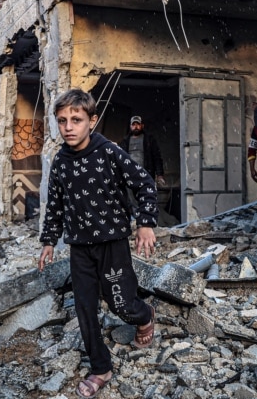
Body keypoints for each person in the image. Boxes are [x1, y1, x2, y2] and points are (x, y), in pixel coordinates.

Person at [38, 89, 158, 398]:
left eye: (76, 120)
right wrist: (49, 241)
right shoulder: (60, 162)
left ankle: (145, 316)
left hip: (113, 243)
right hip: (79, 247)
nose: (68, 127)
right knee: (85, 309)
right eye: (62, 120)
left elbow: (144, 183)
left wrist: (145, 223)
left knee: (121, 303)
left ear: (92, 120)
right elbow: (54, 205)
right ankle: (100, 367)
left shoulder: (109, 152)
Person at [118, 115, 166, 187]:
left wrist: (160, 175)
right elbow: (120, 159)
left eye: (138, 124)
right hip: (130, 175)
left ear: (142, 126)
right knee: (130, 197)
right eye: (133, 124)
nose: (136, 126)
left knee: (146, 195)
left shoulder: (149, 140)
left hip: (146, 174)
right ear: (130, 126)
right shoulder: (125, 141)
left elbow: (157, 157)